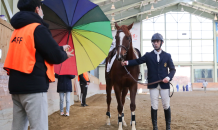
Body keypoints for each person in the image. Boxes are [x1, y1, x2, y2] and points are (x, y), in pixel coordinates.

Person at [3, 0, 74, 129]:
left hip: (16, 87)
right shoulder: (37, 28)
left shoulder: (17, 30)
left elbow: (36, 49)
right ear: (37, 9)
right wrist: (64, 54)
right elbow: (54, 56)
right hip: (33, 87)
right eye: (41, 8)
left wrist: (61, 48)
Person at [121, 33, 176, 130]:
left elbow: (172, 70)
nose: (155, 43)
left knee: (166, 105)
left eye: (157, 41)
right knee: (154, 105)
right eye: (154, 42)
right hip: (153, 84)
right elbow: (137, 61)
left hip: (164, 84)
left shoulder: (167, 56)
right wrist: (127, 62)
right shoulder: (148, 55)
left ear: (161, 43)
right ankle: (155, 127)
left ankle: (168, 126)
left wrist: (168, 77)